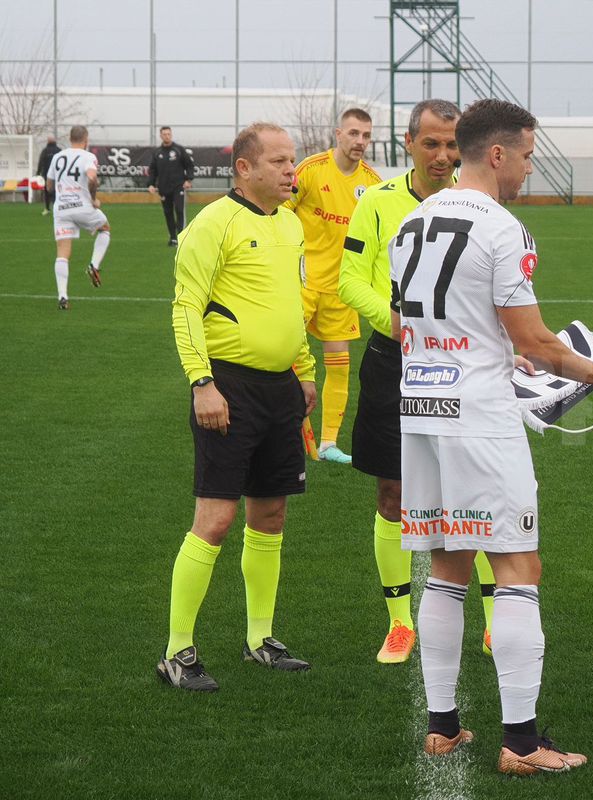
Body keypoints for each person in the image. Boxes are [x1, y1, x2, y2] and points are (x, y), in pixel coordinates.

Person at [391, 98, 593, 774]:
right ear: (499, 153)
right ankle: (522, 743)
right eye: (530, 157)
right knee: (517, 567)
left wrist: (499, 351)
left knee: (448, 565)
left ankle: (443, 726)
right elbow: (535, 338)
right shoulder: (504, 229)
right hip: (479, 418)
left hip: (421, 409)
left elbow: (409, 325)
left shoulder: (413, 220)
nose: (532, 171)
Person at [157, 122, 318, 692]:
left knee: (270, 516)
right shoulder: (213, 224)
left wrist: (304, 371)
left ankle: (260, 639)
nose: (289, 170)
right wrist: (203, 383)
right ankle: (177, 652)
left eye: (291, 160)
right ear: (244, 169)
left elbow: (289, 306)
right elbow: (186, 308)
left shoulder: (293, 224)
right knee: (216, 518)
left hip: (280, 388)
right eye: (277, 161)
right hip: (227, 387)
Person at [339, 99, 499, 664]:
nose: (444, 155)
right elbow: (349, 280)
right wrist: (395, 318)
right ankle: (400, 622)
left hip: (461, 363)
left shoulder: (479, 203)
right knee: (393, 495)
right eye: (431, 143)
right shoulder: (377, 203)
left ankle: (491, 619)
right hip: (394, 360)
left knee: (471, 489)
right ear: (408, 143)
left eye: (453, 144)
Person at [285, 108, 382, 464]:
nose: (360, 142)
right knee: (282, 360)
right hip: (302, 283)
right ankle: (281, 430)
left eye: (367, 136)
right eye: (354, 133)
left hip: (342, 289)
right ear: (338, 133)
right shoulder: (310, 170)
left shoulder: (372, 183)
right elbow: (280, 212)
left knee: (339, 366)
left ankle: (328, 444)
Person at [46, 125, 109, 310]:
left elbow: (49, 184)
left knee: (62, 253)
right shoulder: (88, 156)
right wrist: (94, 199)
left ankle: (63, 297)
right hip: (82, 206)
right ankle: (94, 265)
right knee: (105, 228)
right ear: (86, 139)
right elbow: (92, 178)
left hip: (61, 209)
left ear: (69, 138)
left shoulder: (58, 156)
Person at [147, 126, 195, 246]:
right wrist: (151, 184)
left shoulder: (179, 150)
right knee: (168, 213)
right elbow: (152, 170)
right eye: (164, 134)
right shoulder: (157, 153)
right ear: (161, 136)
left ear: (171, 135)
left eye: (168, 134)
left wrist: (188, 180)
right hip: (163, 188)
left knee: (179, 210)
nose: (166, 136)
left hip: (178, 187)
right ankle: (173, 238)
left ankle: (181, 237)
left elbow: (189, 165)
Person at [36, 134, 60, 215]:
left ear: (48, 141)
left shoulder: (45, 151)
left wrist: (38, 173)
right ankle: (57, 208)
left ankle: (47, 209)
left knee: (47, 191)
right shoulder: (59, 150)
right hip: (58, 175)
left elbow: (41, 162)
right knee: (57, 191)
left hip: (47, 174)